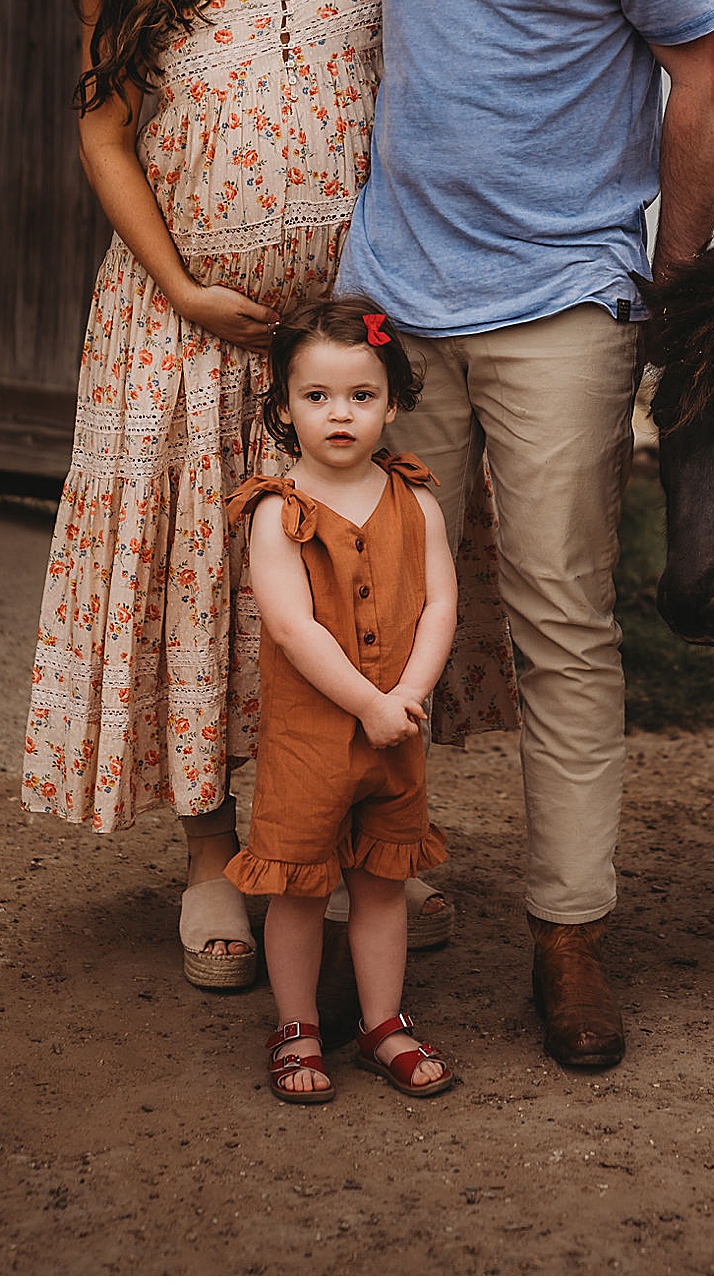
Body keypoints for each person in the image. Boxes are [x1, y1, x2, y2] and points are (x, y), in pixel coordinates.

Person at [337, 0, 714, 1069]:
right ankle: (388, 887)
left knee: (564, 619)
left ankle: (568, 932)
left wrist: (673, 278)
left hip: (566, 297)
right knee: (374, 617)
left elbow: (708, 70)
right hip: (396, 290)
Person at [21, 0, 470, 993]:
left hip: (336, 342)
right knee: (201, 591)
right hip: (180, 336)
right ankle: (214, 854)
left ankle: (362, 830)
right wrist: (177, 282)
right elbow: (102, 132)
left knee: (355, 581)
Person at [224, 295, 456, 1102]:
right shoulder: (275, 511)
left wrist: (412, 693)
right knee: (297, 887)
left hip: (397, 729)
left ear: (392, 402)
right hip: (310, 741)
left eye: (362, 395)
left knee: (383, 883)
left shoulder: (416, 502)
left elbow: (439, 606)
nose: (341, 415)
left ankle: (382, 1021)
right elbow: (293, 630)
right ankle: (297, 1026)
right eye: (316, 397)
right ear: (285, 407)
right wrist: (367, 702)